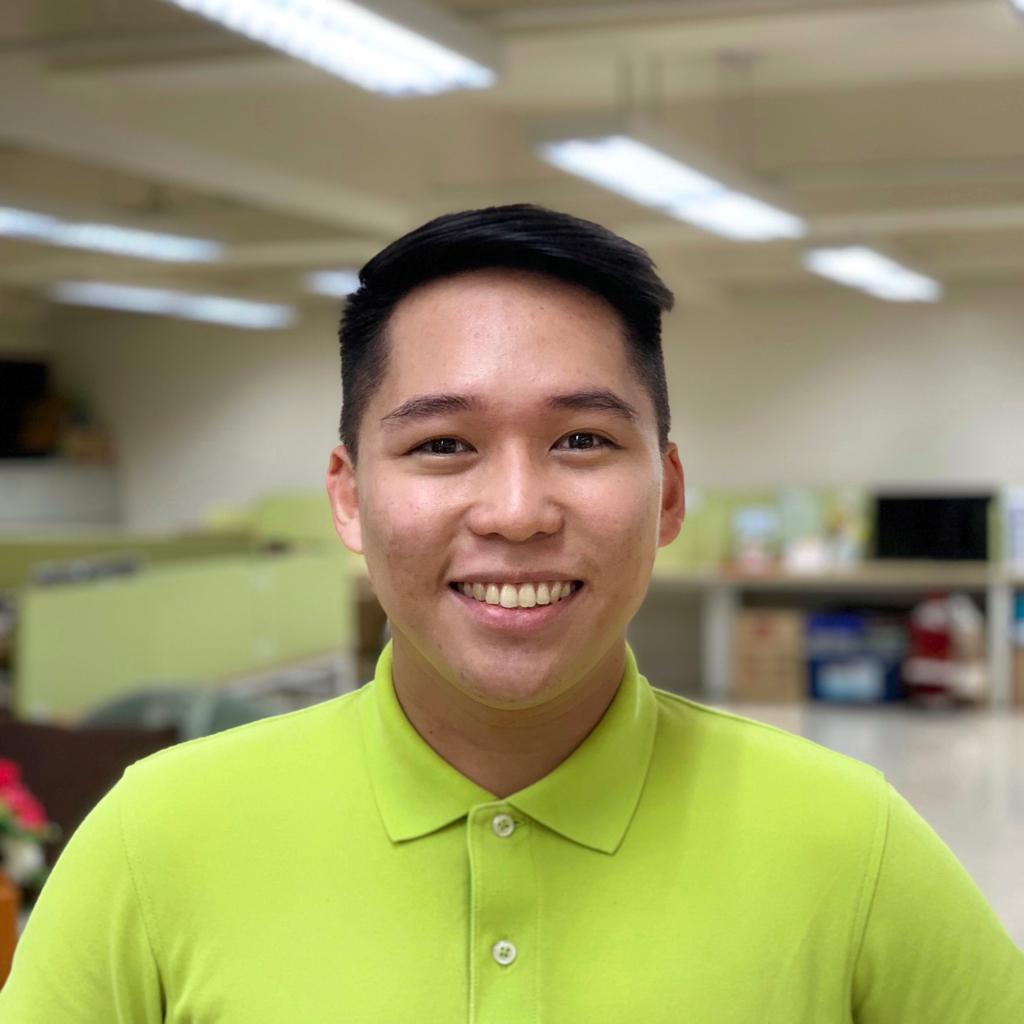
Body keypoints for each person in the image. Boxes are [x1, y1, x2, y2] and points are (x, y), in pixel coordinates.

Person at [1, 204, 1021, 1022]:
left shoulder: (849, 841)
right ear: (349, 497)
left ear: (667, 494)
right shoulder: (152, 839)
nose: (518, 512)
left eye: (581, 440)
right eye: (443, 445)